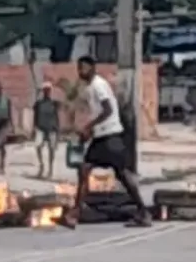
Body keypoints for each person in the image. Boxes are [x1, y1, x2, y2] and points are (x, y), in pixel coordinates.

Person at [60, 56, 151, 229]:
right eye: (79, 68)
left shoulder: (98, 85)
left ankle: (74, 213)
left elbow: (108, 110)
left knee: (87, 169)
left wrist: (89, 126)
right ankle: (143, 212)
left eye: (84, 68)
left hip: (109, 137)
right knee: (120, 174)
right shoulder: (90, 87)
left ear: (93, 68)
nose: (81, 72)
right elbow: (99, 112)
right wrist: (91, 130)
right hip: (107, 136)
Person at [33, 82, 61, 179]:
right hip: (41, 128)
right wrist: (34, 127)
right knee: (38, 146)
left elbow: (56, 117)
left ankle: (50, 169)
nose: (47, 92)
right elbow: (35, 115)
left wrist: (58, 131)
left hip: (51, 129)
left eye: (48, 90)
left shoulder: (53, 104)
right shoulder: (39, 103)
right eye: (45, 90)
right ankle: (41, 165)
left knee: (51, 150)